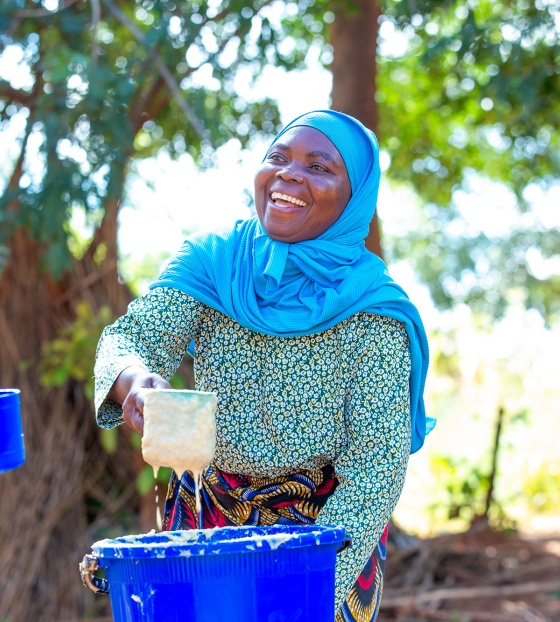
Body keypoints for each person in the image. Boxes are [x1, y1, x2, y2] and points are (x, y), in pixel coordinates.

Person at [94, 110, 434, 621]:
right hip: (207, 523)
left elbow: (375, 468)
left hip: (324, 533)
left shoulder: (371, 311)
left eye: (319, 167)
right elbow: (130, 338)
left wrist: (303, 590)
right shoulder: (215, 262)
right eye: (278, 157)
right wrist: (136, 381)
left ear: (354, 198)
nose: (290, 174)